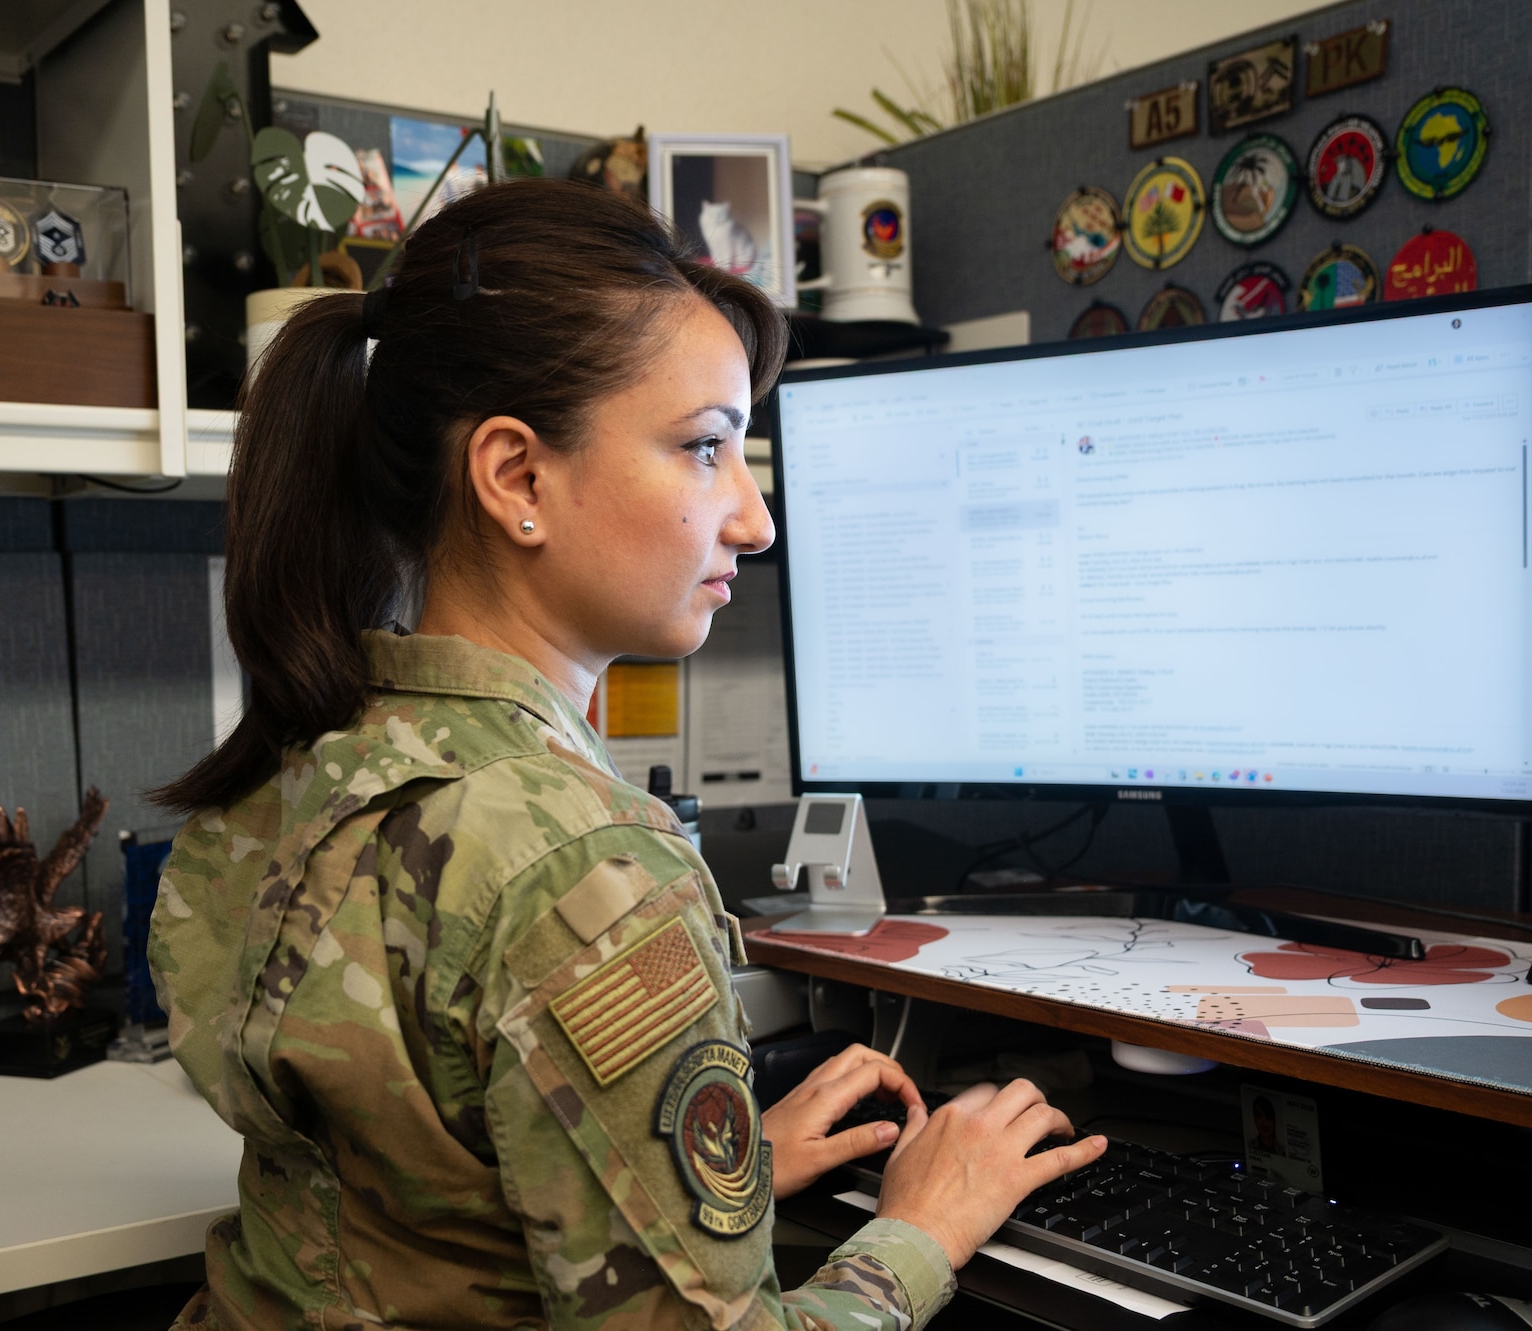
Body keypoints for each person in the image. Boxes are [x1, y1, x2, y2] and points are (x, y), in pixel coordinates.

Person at [148, 178, 1107, 1331]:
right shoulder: (582, 868)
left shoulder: (299, 761)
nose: (752, 518)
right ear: (517, 478)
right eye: (706, 448)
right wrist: (920, 1226)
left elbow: (411, 1204)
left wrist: (701, 1177)